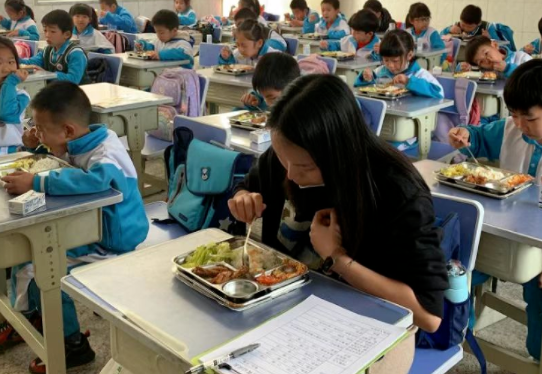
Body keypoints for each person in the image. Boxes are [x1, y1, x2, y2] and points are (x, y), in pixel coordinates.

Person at [229, 73, 448, 333]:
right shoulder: (288, 152)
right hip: (284, 306)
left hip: (364, 324)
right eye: (281, 157)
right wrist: (242, 198)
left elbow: (429, 317)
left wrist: (337, 258)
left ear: (339, 153)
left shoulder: (396, 191)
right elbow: (247, 186)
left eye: (304, 167)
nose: (290, 174)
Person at [0, 81, 149, 372]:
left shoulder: (105, 153)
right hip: (86, 225)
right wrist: (35, 144)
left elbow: (94, 181)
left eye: (40, 128)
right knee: (24, 256)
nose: (36, 132)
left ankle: (72, 346)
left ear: (67, 130)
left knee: (40, 271)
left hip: (113, 237)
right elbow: (61, 162)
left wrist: (36, 182)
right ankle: (30, 318)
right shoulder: (76, 139)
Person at [447, 59, 542, 361]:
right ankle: (457, 337)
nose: (518, 124)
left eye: (529, 118)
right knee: (452, 270)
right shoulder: (512, 131)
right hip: (500, 236)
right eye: (513, 114)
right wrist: (464, 133)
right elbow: (480, 134)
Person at [356, 29, 444, 99]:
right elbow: (362, 90)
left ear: (409, 55)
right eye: (386, 60)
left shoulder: (420, 74)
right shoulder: (380, 72)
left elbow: (440, 93)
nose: (390, 65)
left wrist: (408, 81)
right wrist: (366, 79)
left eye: (395, 61)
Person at [20, 10, 89, 85]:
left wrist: (48, 74)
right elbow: (30, 62)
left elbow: (73, 80)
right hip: (56, 91)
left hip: (76, 93)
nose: (47, 35)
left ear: (66, 34)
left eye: (52, 31)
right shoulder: (47, 50)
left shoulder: (76, 53)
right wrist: (12, 58)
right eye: (45, 30)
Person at [0, 37, 28, 154]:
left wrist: (10, 83)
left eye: (11, 62)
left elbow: (7, 114)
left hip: (10, 151)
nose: (6, 69)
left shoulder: (22, 95)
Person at [219, 19, 286, 66]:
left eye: (244, 45)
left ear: (259, 43)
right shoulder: (237, 54)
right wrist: (226, 58)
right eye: (237, 44)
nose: (240, 49)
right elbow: (229, 69)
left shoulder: (274, 58)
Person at [464, 35, 531, 78]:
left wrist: (507, 68)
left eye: (486, 53)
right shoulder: (487, 72)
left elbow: (535, 80)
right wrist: (465, 68)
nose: (487, 60)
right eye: (481, 62)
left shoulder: (521, 58)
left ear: (495, 45)